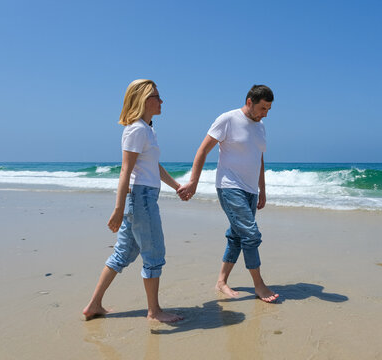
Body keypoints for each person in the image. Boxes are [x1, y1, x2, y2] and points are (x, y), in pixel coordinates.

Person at [83, 79, 183, 322]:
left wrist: (177, 186)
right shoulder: (137, 129)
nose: (161, 101)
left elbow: (152, 166)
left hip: (143, 198)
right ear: (144, 100)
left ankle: (94, 305)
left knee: (123, 253)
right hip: (142, 200)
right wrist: (118, 209)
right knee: (154, 253)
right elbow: (125, 171)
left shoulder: (147, 129)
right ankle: (154, 311)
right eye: (157, 96)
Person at [178, 84, 279, 303]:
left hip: (251, 190)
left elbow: (259, 158)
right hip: (229, 186)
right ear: (249, 102)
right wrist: (193, 182)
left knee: (236, 237)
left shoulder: (261, 127)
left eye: (269, 109)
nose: (265, 114)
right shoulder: (228, 119)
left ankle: (221, 282)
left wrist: (262, 189)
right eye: (263, 108)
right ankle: (259, 285)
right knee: (251, 235)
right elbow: (203, 149)